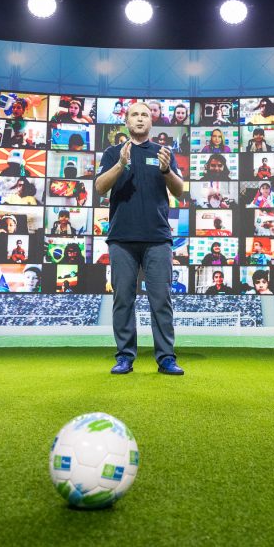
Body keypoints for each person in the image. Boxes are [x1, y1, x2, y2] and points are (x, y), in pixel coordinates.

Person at [95, 101, 185, 376]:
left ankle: (166, 358)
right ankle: (124, 357)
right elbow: (100, 187)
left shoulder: (163, 153)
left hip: (158, 238)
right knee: (123, 299)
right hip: (121, 238)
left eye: (145, 114)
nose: (140, 118)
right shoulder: (113, 153)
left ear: (151, 121)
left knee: (161, 301)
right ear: (126, 121)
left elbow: (179, 191)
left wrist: (167, 170)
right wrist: (121, 164)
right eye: (134, 114)